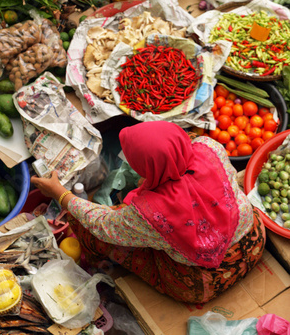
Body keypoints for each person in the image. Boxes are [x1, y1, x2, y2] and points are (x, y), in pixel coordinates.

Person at [31, 121, 265, 303]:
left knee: (85, 225)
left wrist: (60, 193)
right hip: (254, 242)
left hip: (203, 282)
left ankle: (96, 263)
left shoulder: (151, 215)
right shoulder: (210, 147)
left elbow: (101, 223)